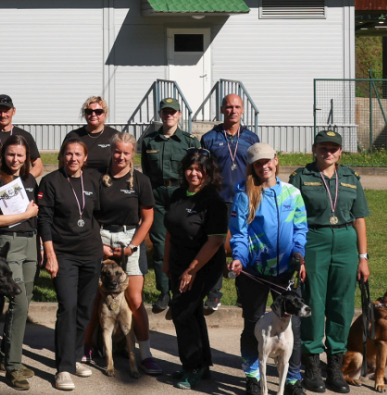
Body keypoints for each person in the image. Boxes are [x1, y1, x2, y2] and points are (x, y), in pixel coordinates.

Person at [289, 129, 369, 395]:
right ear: (314, 149)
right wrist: (297, 255)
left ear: (340, 152)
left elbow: (359, 219)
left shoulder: (350, 177)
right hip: (315, 240)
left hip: (346, 242)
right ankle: (311, 368)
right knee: (314, 302)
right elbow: (293, 218)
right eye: (323, 147)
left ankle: (335, 367)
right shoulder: (301, 177)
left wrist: (362, 258)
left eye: (334, 148)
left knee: (343, 305)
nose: (328, 152)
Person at [232, 142, 309, 395]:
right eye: (258, 163)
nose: (264, 166)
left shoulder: (292, 193)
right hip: (254, 272)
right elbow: (240, 234)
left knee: (293, 325)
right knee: (253, 322)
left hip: (285, 272)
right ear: (252, 166)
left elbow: (300, 228)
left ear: (276, 161)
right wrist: (239, 258)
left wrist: (299, 254)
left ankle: (293, 379)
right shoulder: (243, 193)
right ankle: (253, 376)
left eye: (267, 161)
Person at [87, 132, 159, 374]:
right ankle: (87, 347)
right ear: (112, 151)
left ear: (132, 154)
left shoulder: (140, 180)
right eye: (117, 151)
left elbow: (148, 218)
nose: (120, 156)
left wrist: (132, 246)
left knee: (135, 300)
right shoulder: (97, 178)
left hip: (130, 237)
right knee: (95, 296)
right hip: (102, 237)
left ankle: (146, 353)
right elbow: (90, 215)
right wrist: (99, 245)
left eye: (126, 153)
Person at [38, 139, 103, 391]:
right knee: (68, 307)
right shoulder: (51, 181)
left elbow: (98, 213)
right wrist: (49, 253)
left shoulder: (93, 180)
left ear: (85, 158)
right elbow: (44, 219)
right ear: (62, 156)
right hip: (63, 254)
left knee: (85, 308)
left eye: (77, 154)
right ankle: (63, 368)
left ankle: (74, 358)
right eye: (68, 154)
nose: (72, 158)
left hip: (91, 253)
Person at [163, 148, 230, 390]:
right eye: (190, 168)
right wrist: (167, 262)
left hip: (203, 265)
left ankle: (192, 367)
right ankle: (202, 364)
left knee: (182, 312)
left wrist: (191, 270)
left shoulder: (213, 201)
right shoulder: (178, 194)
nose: (194, 173)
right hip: (179, 262)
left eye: (199, 170)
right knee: (191, 313)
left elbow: (215, 241)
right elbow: (171, 230)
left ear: (208, 173)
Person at [0, 136, 41, 390]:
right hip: (9, 244)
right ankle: (14, 367)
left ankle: (9, 358)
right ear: (3, 156)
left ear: (26, 157)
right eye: (10, 155)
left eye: (20, 155)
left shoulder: (30, 180)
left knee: (24, 302)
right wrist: (27, 214)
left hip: (30, 243)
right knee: (17, 301)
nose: (15, 160)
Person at [201, 92, 259, 311]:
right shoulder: (209, 138)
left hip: (245, 200)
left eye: (237, 107)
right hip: (218, 199)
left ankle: (244, 293)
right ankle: (214, 294)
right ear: (222, 110)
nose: (233, 111)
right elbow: (204, 170)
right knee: (215, 245)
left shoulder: (251, 138)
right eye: (228, 107)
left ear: (242, 110)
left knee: (244, 246)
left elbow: (257, 170)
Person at [140, 98, 199, 313]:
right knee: (159, 245)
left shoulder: (190, 141)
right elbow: (146, 171)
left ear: (179, 114)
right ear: (160, 114)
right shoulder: (149, 141)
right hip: (157, 196)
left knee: (183, 242)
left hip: (181, 194)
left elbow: (197, 170)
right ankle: (164, 291)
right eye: (165, 112)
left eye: (173, 112)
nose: (169, 115)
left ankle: (182, 290)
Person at [0, 94, 42, 183]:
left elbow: (38, 165)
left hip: (20, 189)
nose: (3, 115)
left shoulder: (25, 136)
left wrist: (25, 179)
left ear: (14, 111)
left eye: (6, 111)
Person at [64, 96, 119, 175]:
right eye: (89, 111)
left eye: (98, 111)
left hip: (107, 183)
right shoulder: (73, 136)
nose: (93, 114)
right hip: (81, 184)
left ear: (105, 114)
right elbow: (63, 164)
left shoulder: (115, 136)